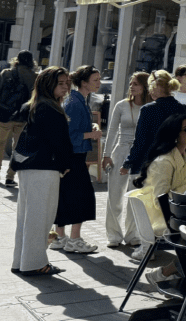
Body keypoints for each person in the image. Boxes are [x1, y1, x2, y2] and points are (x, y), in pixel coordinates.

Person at [10, 67, 73, 276]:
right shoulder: (50, 108)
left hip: (30, 167)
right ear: (49, 84)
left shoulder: (36, 105)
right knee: (40, 218)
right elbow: (59, 142)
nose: (66, 87)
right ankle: (35, 263)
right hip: (44, 168)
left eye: (67, 83)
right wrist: (66, 164)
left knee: (27, 218)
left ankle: (22, 261)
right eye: (61, 83)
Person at [135, 113, 186, 287]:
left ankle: (179, 278)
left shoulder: (183, 156)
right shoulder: (165, 161)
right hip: (160, 218)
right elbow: (160, 199)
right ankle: (171, 276)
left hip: (173, 215)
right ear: (174, 134)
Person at [51, 65, 102, 254]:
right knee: (82, 197)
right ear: (84, 82)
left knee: (66, 196)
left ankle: (61, 237)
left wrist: (90, 130)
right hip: (73, 156)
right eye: (95, 80)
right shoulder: (75, 102)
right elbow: (70, 135)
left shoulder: (77, 100)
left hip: (71, 156)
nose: (99, 83)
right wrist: (91, 134)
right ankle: (74, 239)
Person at [101, 71, 150, 247]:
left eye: (136, 83)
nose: (132, 86)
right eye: (131, 83)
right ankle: (113, 235)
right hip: (120, 151)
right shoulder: (121, 106)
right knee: (115, 194)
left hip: (141, 154)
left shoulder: (151, 107)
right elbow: (112, 131)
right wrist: (106, 155)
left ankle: (132, 234)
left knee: (134, 195)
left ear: (145, 86)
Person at [0, 50, 37, 187]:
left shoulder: (6, 73)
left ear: (17, 60)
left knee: (0, 144)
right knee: (18, 148)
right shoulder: (35, 77)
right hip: (22, 117)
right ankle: (10, 176)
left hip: (4, 115)